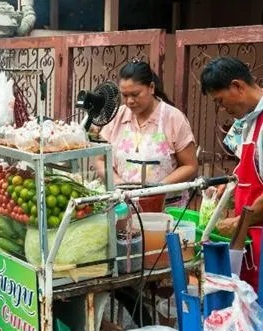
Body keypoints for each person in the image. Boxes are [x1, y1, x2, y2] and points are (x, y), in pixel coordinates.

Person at [95, 60, 198, 204]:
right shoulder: (116, 117)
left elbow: (190, 166)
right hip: (124, 205)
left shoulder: (173, 118)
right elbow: (100, 160)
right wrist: (118, 184)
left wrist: (158, 188)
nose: (130, 101)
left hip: (166, 206)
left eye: (135, 94)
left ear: (151, 87)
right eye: (124, 95)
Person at [201, 56, 263, 291]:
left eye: (220, 100)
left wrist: (238, 223)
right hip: (251, 239)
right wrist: (229, 185)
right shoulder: (248, 121)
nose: (222, 108)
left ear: (237, 86)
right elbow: (250, 168)